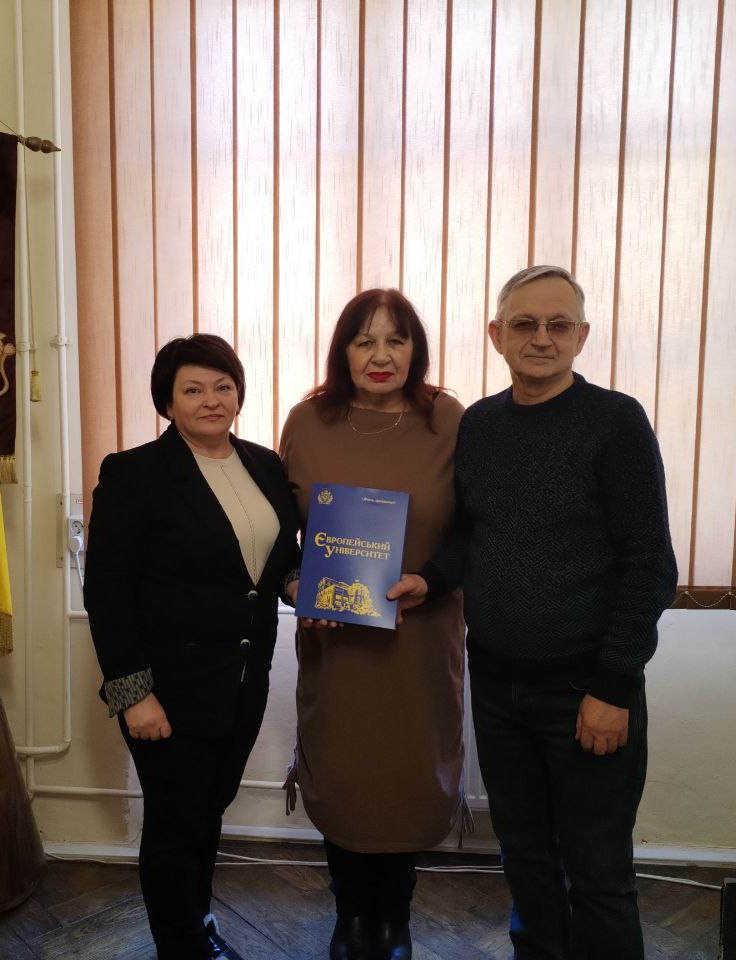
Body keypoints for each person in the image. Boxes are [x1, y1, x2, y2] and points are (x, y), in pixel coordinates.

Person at [390, 265, 679, 960]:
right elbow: (473, 533)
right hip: (497, 687)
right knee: (523, 857)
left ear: (583, 335)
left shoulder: (616, 423)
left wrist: (614, 688)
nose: (541, 338)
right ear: (496, 335)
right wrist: (430, 580)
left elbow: (650, 566)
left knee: (598, 874)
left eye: (558, 324)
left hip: (586, 690)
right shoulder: (481, 425)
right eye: (524, 323)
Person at [84, 334, 300, 960]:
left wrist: (303, 588)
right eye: (194, 389)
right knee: (175, 825)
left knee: (208, 813)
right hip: (167, 691)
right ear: (167, 401)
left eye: (223, 386)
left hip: (243, 681)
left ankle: (198, 924)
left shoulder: (264, 465)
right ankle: (180, 947)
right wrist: (133, 693)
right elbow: (107, 590)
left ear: (239, 393)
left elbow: (278, 561)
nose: (211, 400)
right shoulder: (133, 474)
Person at [280, 289, 467, 960]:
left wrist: (433, 580)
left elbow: (474, 529)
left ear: (417, 349)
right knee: (346, 773)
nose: (380, 355)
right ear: (343, 350)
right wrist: (293, 583)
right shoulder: (307, 421)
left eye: (396, 340)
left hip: (420, 638)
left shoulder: (448, 419)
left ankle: (395, 916)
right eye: (364, 341)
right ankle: (351, 915)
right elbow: (280, 532)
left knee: (406, 776)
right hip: (337, 645)